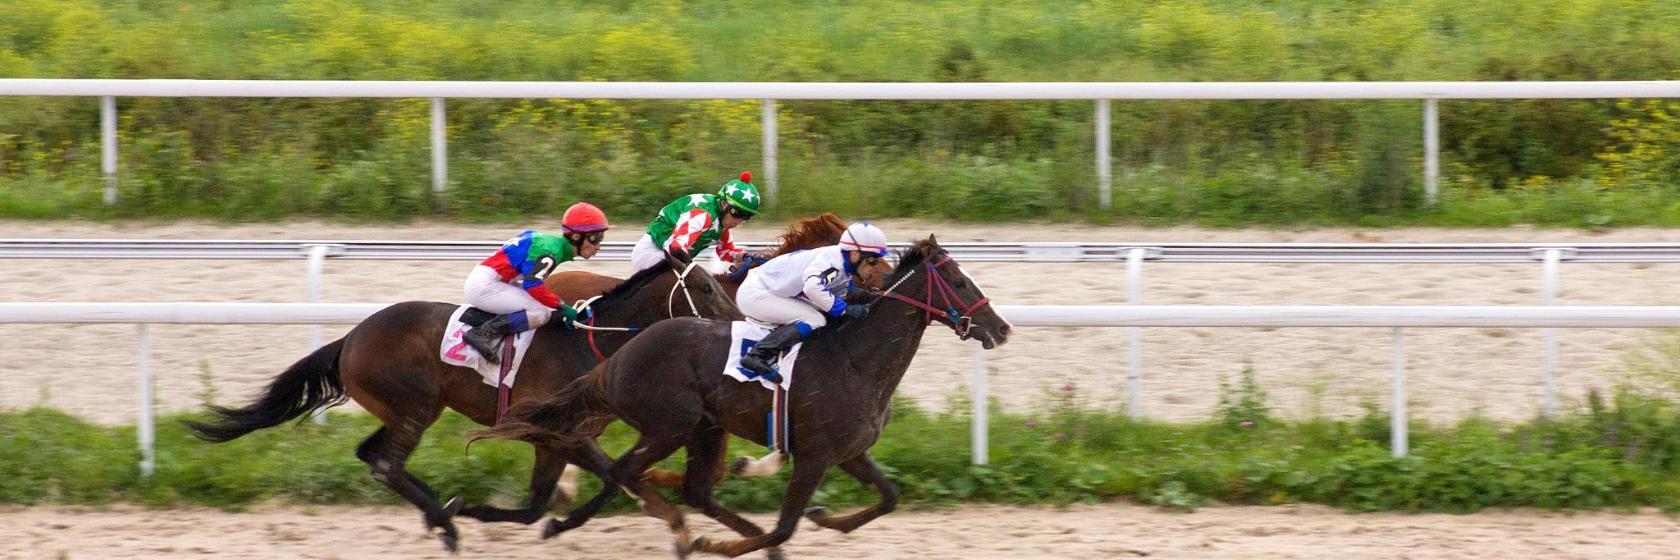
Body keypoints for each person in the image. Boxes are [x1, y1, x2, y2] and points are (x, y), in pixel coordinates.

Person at [460, 202, 610, 364]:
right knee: (541, 313)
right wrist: (562, 306)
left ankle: (484, 318)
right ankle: (482, 333)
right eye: (595, 239)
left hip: (490, 279)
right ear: (576, 237)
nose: (598, 246)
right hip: (485, 285)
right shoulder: (551, 250)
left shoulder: (548, 242)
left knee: (545, 308)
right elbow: (532, 284)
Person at [736, 222, 890, 376]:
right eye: (872, 260)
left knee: (823, 313)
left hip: (770, 290)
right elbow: (813, 288)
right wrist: (845, 309)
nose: (874, 267)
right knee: (815, 319)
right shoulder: (833, 262)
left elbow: (834, 299)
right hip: (755, 294)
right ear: (855, 253)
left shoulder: (844, 268)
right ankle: (757, 355)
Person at [629, 171, 760, 271]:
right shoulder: (703, 214)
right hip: (652, 252)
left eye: (745, 217)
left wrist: (745, 257)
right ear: (724, 204)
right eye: (736, 213)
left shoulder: (721, 224)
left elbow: (725, 252)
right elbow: (674, 248)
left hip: (669, 257)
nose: (738, 221)